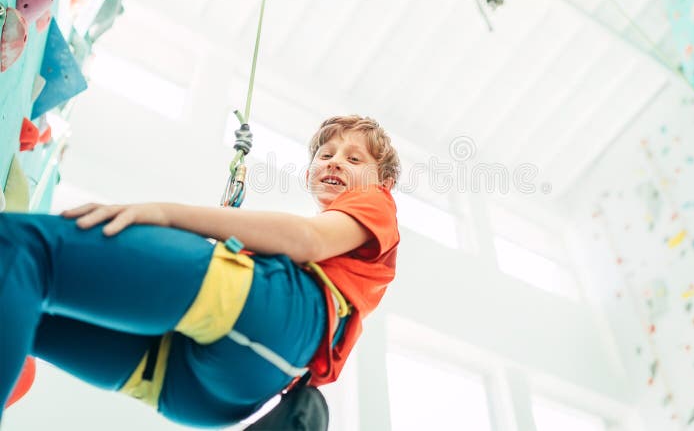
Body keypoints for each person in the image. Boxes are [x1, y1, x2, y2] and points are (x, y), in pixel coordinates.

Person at [0, 115, 401, 428]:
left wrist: (165, 214)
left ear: (383, 180)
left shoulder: (376, 203)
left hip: (272, 324)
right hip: (215, 395)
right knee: (22, 307)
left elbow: (305, 239)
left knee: (23, 249)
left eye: (354, 158)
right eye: (326, 154)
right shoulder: (343, 260)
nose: (334, 161)